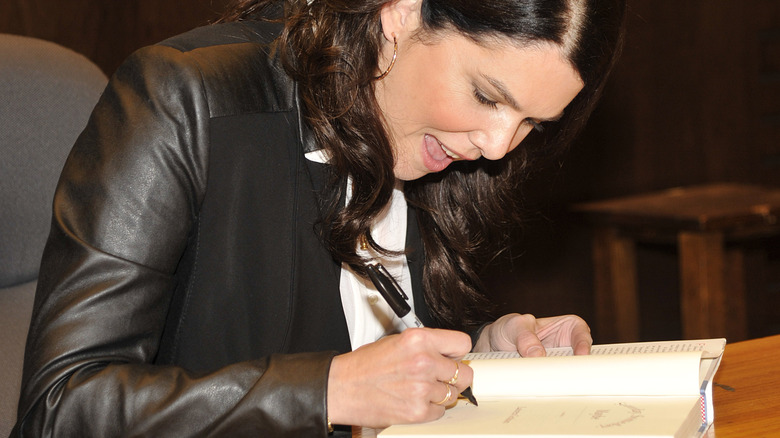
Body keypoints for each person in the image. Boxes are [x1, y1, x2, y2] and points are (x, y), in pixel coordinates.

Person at [12, 0, 625, 436]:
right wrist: (330, 391)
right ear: (400, 13)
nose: (497, 146)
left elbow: (375, 336)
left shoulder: (433, 140)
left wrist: (487, 352)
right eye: (488, 97)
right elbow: (62, 408)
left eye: (531, 124)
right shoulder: (182, 99)